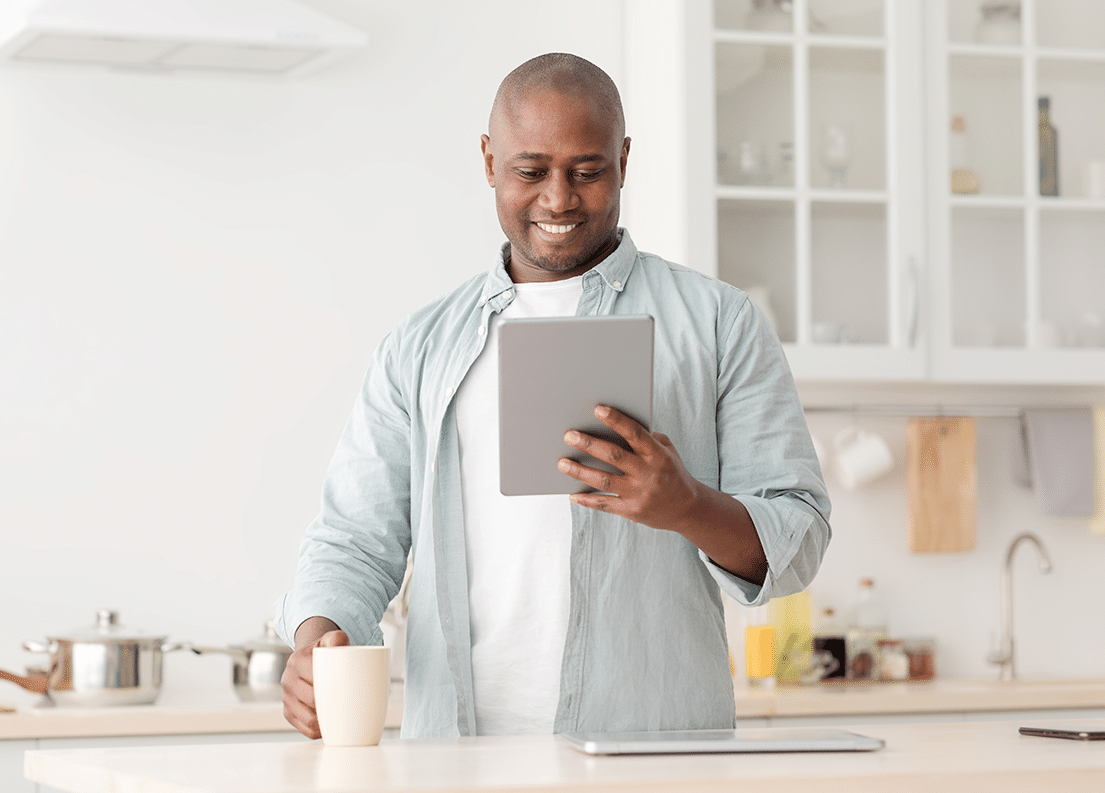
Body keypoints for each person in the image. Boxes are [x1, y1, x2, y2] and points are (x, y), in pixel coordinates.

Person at [274, 52, 830, 739]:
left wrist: (688, 506)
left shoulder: (719, 324)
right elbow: (354, 537)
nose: (559, 198)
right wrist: (315, 639)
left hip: (654, 758)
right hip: (457, 764)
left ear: (624, 160)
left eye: (588, 171)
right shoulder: (419, 346)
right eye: (530, 171)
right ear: (488, 162)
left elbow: (798, 537)